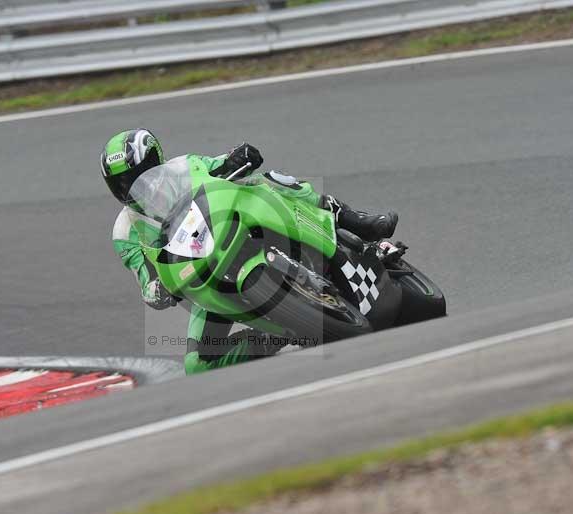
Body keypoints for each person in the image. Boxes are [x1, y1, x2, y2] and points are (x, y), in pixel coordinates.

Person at [101, 128, 398, 374]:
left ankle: (355, 220)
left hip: (238, 231)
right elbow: (146, 280)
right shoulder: (125, 232)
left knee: (269, 180)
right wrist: (158, 291)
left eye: (141, 173)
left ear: (157, 160)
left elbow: (222, 165)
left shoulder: (186, 167)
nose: (134, 185)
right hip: (205, 279)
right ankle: (271, 336)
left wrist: (238, 156)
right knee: (197, 365)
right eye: (123, 183)